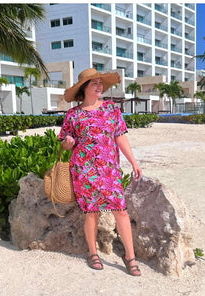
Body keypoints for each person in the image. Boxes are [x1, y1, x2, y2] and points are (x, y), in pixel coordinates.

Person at [58, 68, 142, 276]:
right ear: (84, 88)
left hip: (109, 170)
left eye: (100, 83)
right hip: (83, 170)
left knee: (120, 210)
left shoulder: (112, 109)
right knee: (91, 212)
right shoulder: (73, 114)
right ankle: (93, 253)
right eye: (94, 83)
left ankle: (130, 256)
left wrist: (134, 162)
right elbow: (66, 145)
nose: (99, 86)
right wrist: (69, 143)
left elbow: (120, 137)